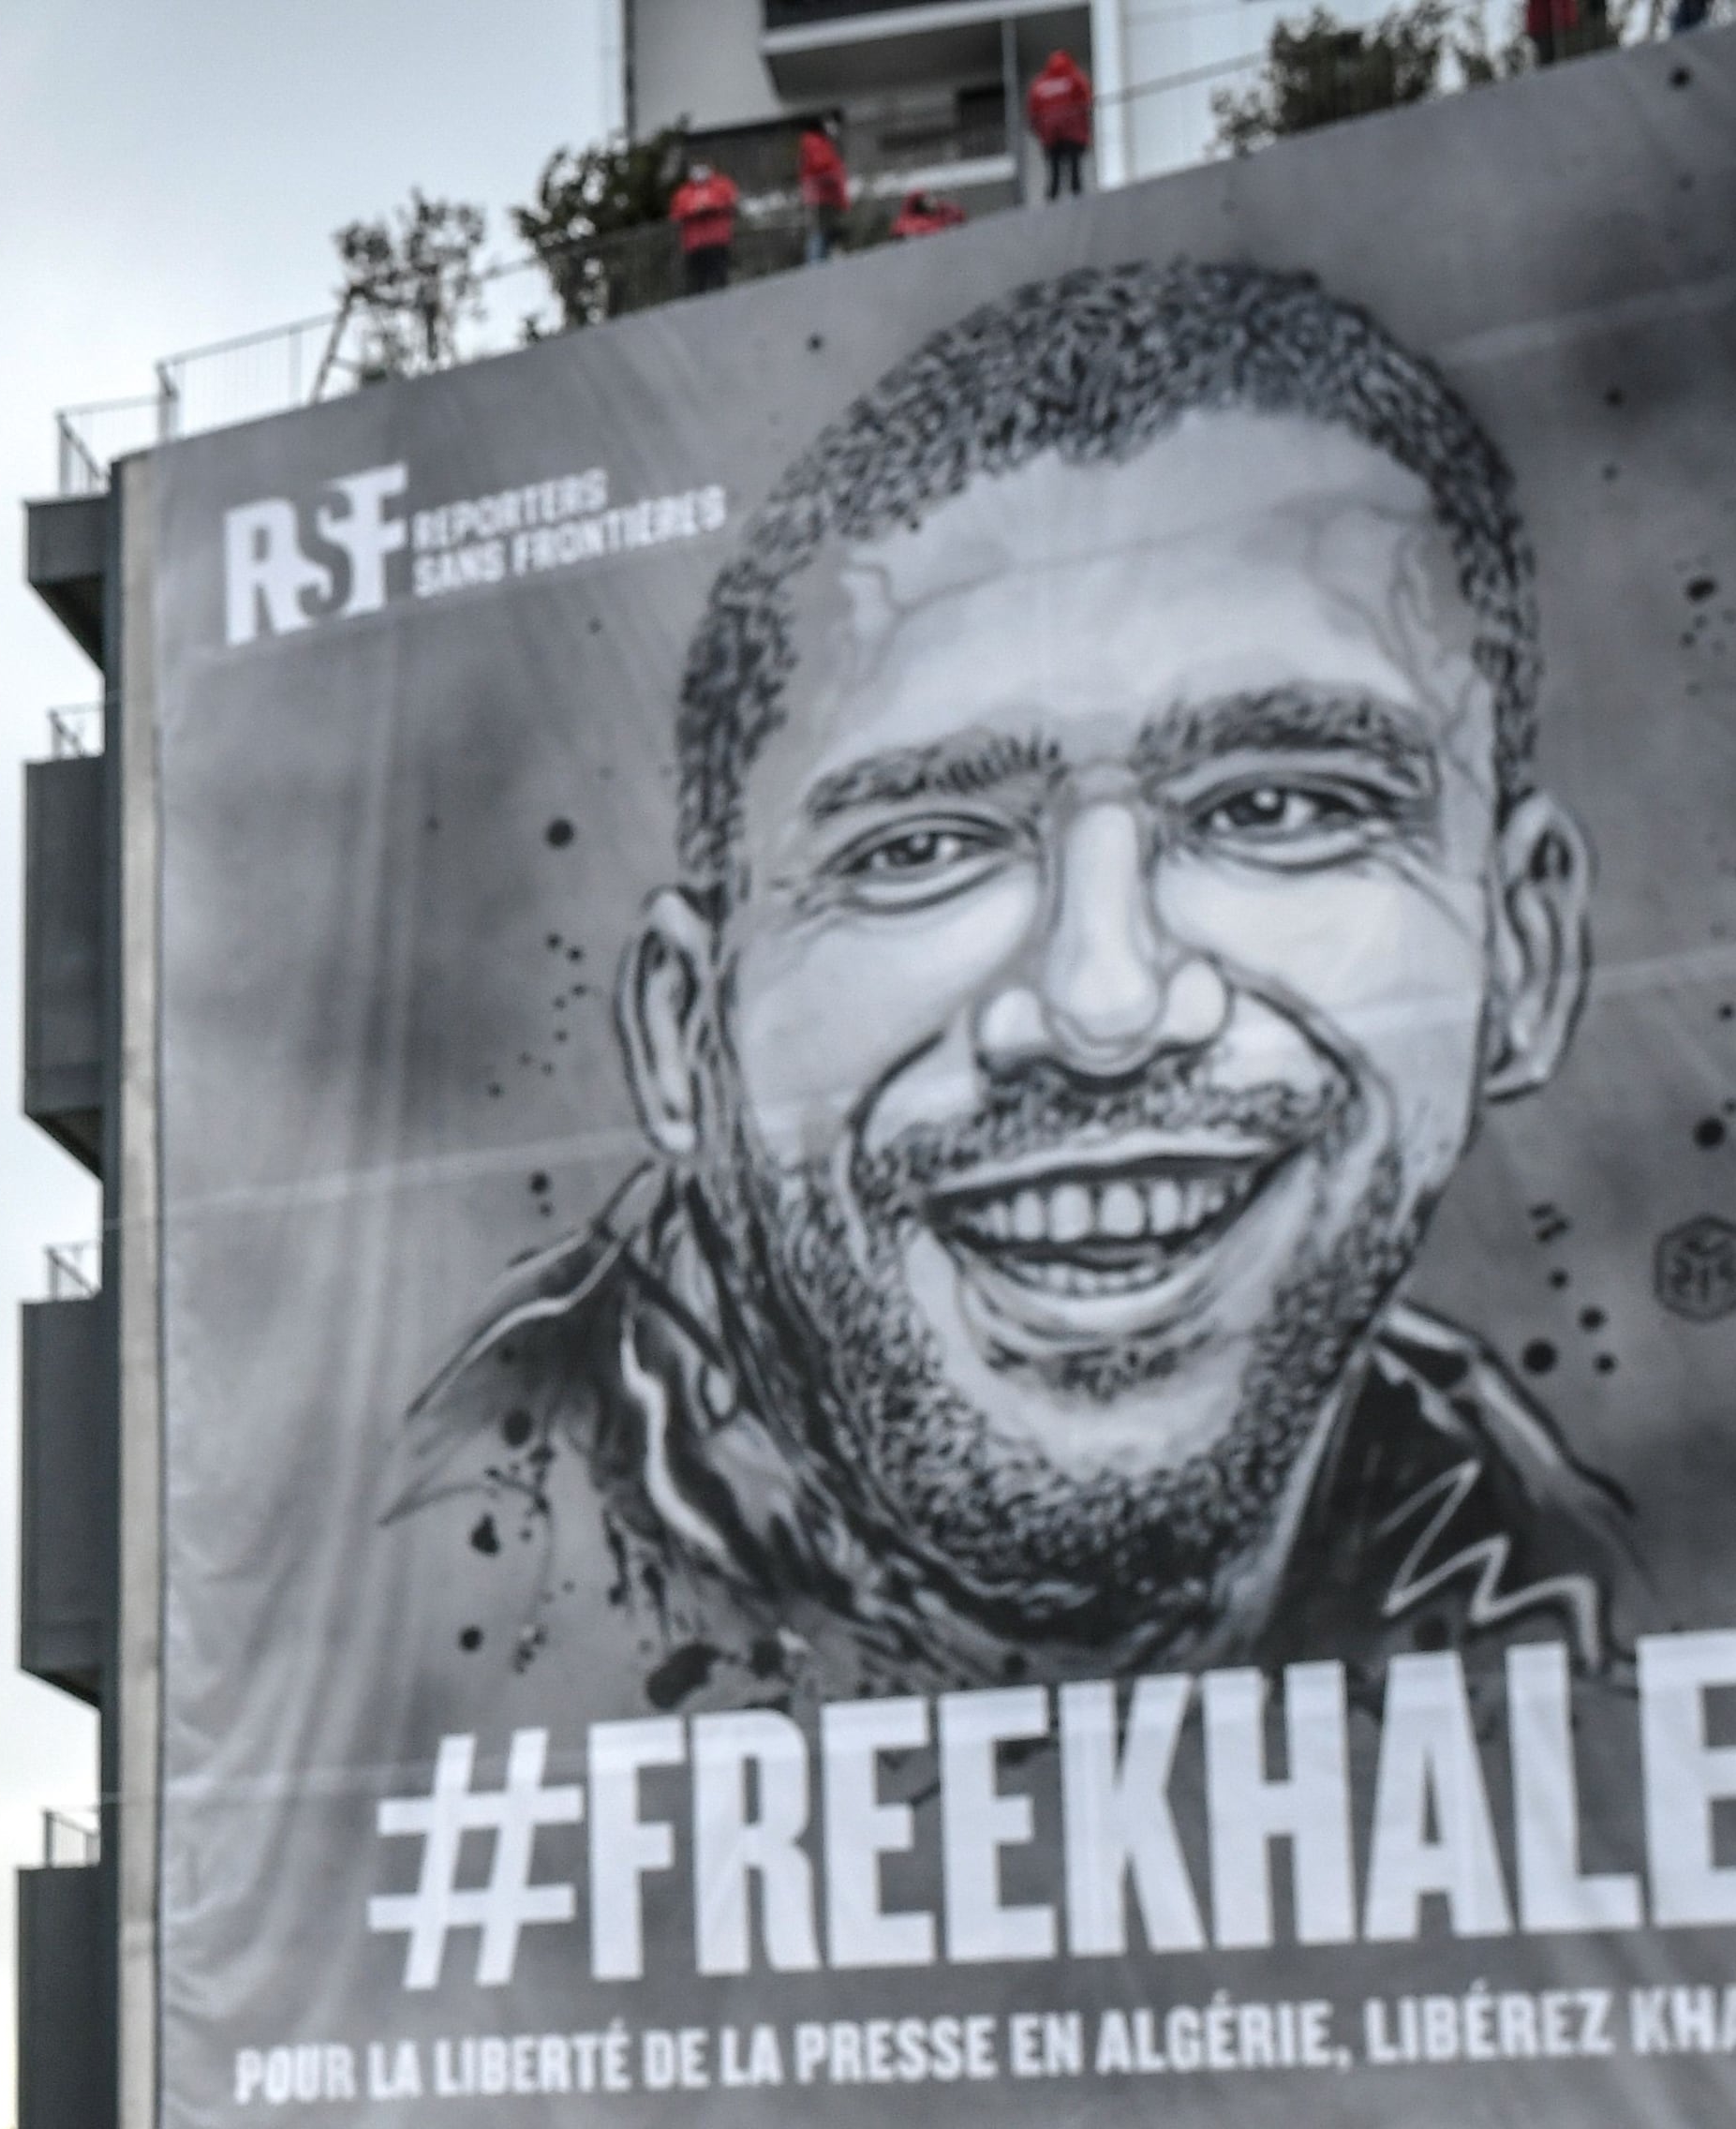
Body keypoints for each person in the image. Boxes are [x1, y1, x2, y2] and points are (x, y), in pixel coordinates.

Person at [403, 261, 1632, 1702]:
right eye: (922, 846)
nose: (1104, 1003)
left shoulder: (1564, 1592)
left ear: (1526, 956)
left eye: (1276, 808)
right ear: (689, 1040)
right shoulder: (436, 1604)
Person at [671, 156, 743, 297]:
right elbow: (676, 214)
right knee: (699, 282)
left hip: (718, 240)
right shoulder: (684, 192)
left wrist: (713, 207)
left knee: (721, 277)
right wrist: (693, 211)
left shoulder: (722, 185)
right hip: (695, 245)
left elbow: (732, 202)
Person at [1025, 49, 1092, 196]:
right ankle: (1077, 194)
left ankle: (1052, 197)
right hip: (1073, 132)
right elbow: (1086, 102)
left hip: (1051, 135)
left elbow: (1033, 112)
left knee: (1054, 169)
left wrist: (1040, 133)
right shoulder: (1074, 77)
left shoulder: (1039, 84)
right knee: (1075, 167)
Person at [796, 119, 852, 264]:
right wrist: (833, 178)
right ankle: (816, 261)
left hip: (826, 195)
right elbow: (820, 165)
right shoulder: (815, 142)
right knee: (822, 230)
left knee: (828, 229)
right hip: (823, 196)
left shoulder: (818, 142)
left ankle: (824, 258)